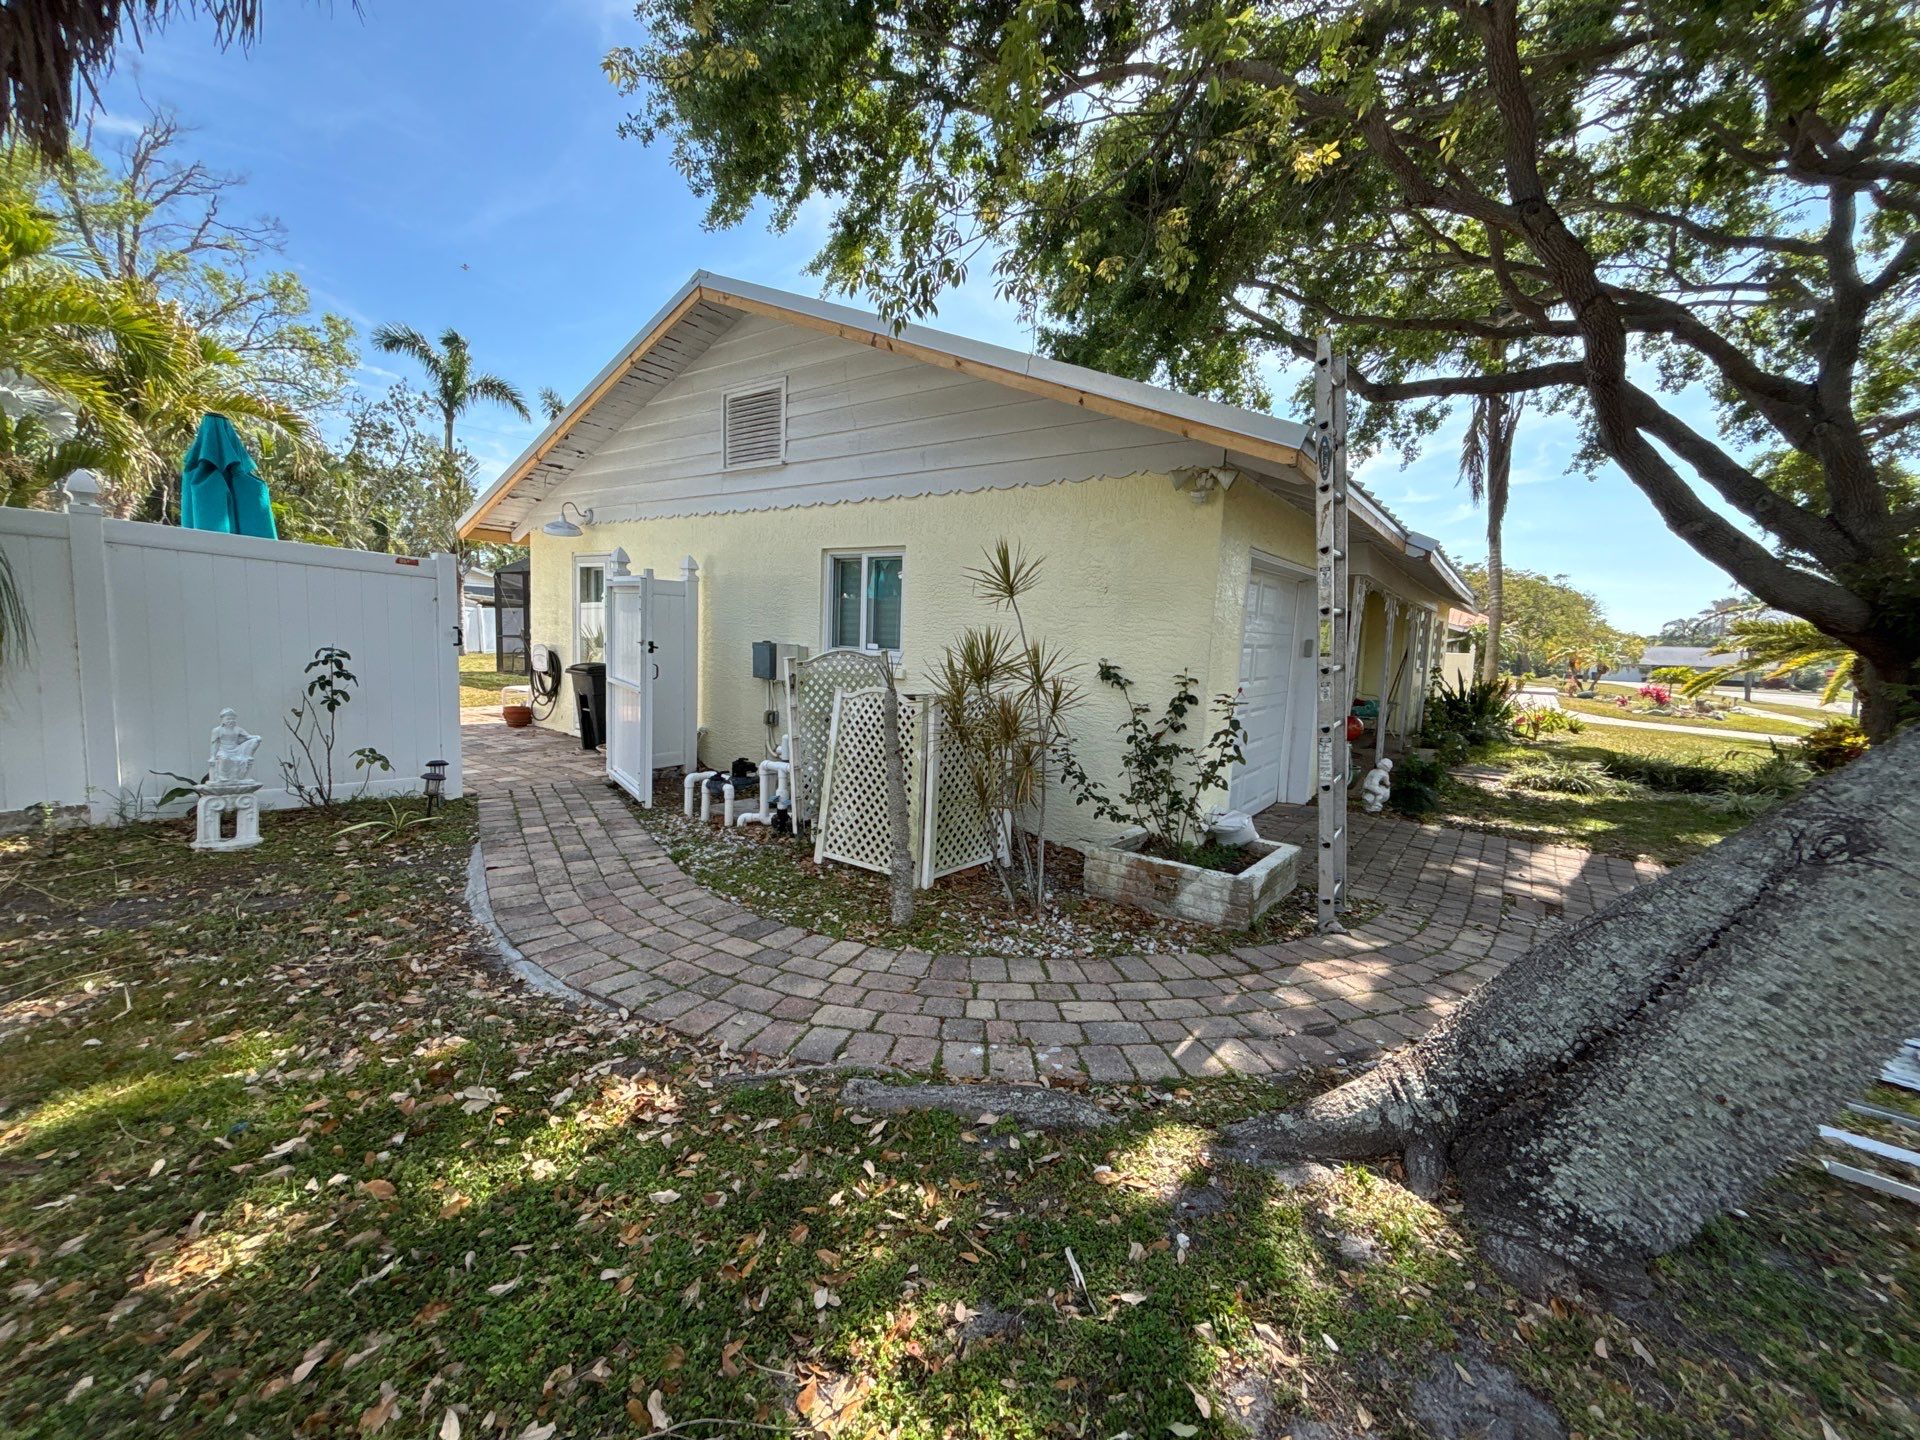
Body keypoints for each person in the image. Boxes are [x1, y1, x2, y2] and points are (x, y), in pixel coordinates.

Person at [208, 709, 262, 784]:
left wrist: (257, 737)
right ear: (223, 720)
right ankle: (223, 776)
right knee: (224, 758)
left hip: (236, 750)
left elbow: (248, 736)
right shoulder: (217, 730)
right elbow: (214, 744)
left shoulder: (238, 729)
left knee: (254, 742)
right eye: (228, 719)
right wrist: (212, 757)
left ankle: (244, 773)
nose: (231, 721)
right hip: (224, 750)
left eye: (233, 719)